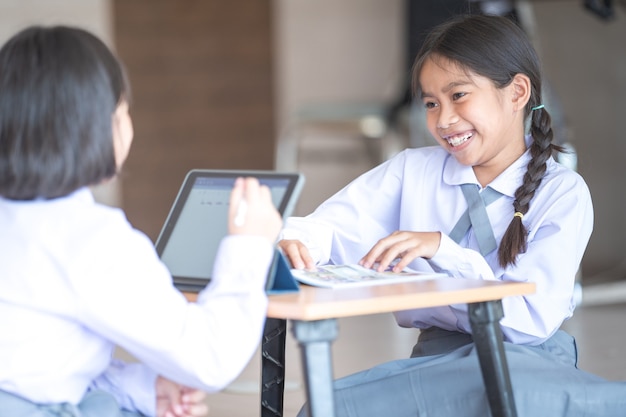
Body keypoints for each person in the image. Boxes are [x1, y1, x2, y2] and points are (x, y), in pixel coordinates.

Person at [279, 14, 626, 416]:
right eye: (430, 103)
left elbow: (529, 321)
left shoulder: (562, 191)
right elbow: (330, 227)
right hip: (436, 362)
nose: (443, 120)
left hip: (527, 360)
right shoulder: (413, 170)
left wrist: (442, 249)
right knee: (326, 409)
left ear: (517, 92)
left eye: (459, 95)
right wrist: (297, 243)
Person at [0, 25, 283, 417]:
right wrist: (249, 245)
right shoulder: (91, 239)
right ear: (99, 129)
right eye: (123, 110)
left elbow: (34, 361)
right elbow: (211, 358)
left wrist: (140, 388)